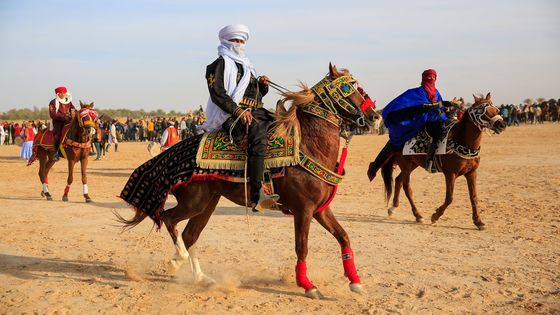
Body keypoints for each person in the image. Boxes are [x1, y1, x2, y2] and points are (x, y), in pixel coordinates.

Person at [201, 24, 279, 212]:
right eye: (235, 40)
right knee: (258, 137)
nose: (239, 44)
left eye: (242, 41)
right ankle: (257, 192)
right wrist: (238, 112)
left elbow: (254, 96)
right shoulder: (218, 65)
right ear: (226, 41)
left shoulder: (247, 66)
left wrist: (262, 85)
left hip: (256, 112)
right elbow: (218, 94)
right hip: (232, 115)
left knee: (286, 127)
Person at [377, 69, 452, 173]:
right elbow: (424, 106)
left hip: (437, 116)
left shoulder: (436, 92)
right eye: (429, 77)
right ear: (424, 78)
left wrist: (448, 106)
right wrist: (442, 104)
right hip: (421, 118)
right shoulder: (418, 92)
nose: (431, 79)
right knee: (437, 131)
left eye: (433, 77)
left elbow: (440, 105)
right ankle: (430, 160)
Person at [49, 86, 76, 161]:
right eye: (60, 93)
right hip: (58, 122)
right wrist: (63, 117)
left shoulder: (69, 102)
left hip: (69, 121)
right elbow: (53, 114)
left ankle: (85, 150)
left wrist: (74, 114)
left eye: (63, 93)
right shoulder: (53, 102)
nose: (62, 94)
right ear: (57, 94)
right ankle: (56, 153)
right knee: (57, 136)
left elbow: (73, 109)